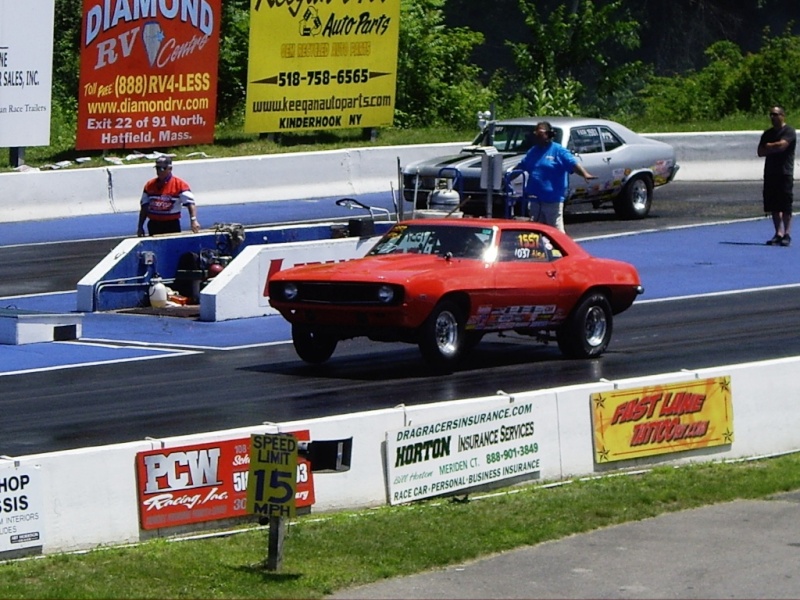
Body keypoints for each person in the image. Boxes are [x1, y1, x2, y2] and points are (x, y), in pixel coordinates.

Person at [510, 121, 596, 232]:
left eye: (540, 134)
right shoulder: (533, 151)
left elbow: (572, 164)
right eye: (536, 134)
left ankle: (564, 249)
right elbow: (522, 166)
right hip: (535, 201)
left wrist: (585, 174)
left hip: (552, 201)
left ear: (549, 135)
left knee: (556, 232)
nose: (537, 137)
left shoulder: (558, 151)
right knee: (536, 232)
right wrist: (507, 178)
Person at [757, 106, 795, 246]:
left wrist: (769, 147)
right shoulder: (767, 134)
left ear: (782, 115)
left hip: (784, 172)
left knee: (785, 205)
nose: (773, 117)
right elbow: (760, 152)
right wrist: (772, 147)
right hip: (771, 172)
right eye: (771, 115)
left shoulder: (789, 131)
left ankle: (787, 234)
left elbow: (782, 146)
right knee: (774, 205)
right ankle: (778, 233)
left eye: (775, 114)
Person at [137, 156, 201, 237]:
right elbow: (144, 207)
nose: (159, 171)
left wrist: (193, 220)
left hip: (171, 225)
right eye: (157, 168)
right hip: (154, 224)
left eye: (162, 168)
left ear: (170, 169)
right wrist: (140, 226)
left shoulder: (180, 184)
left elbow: (190, 203)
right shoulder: (149, 185)